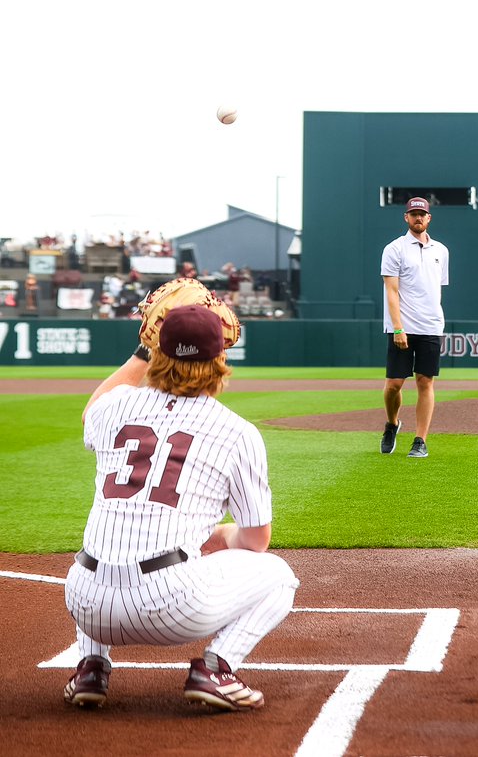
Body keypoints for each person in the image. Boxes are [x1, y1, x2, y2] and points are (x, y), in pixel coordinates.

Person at [63, 304, 298, 711]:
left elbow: (92, 410)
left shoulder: (115, 406)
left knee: (103, 544)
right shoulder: (237, 432)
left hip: (86, 604)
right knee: (279, 576)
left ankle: (91, 666)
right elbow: (257, 540)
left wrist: (141, 351)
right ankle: (217, 669)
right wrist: (222, 533)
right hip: (170, 608)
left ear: (157, 351)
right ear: (220, 360)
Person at [380, 197, 450, 458]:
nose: (418, 217)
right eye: (413, 214)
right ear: (406, 218)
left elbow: (434, 289)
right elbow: (391, 289)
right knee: (394, 385)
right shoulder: (394, 249)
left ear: (429, 218)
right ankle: (392, 424)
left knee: (425, 382)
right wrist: (398, 328)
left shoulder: (441, 251)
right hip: (402, 326)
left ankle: (420, 440)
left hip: (430, 325)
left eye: (422, 214)